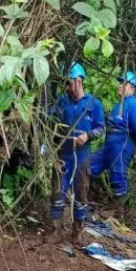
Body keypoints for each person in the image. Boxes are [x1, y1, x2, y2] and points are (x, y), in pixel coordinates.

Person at [45, 62, 105, 241]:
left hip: (83, 155)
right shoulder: (62, 102)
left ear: (79, 81)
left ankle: (77, 231)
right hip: (63, 154)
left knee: (81, 191)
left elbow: (101, 128)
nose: (66, 86)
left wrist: (88, 135)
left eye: (69, 82)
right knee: (58, 190)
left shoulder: (94, 104)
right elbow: (49, 118)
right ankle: (56, 230)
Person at [90, 70, 136, 201]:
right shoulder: (118, 105)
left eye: (123, 83)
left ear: (131, 87)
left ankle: (120, 210)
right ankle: (87, 194)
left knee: (117, 175)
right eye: (120, 83)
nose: (120, 85)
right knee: (90, 166)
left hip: (122, 145)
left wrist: (133, 144)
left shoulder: (134, 104)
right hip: (109, 145)